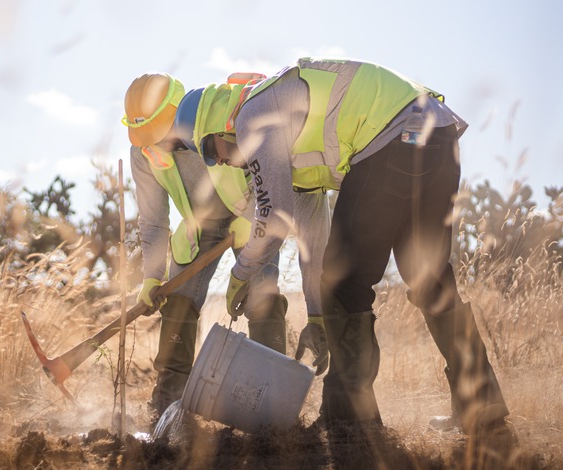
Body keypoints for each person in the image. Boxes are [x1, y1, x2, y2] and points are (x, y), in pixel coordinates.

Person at [173, 58, 509, 432]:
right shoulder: (286, 139)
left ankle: (350, 419)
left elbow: (275, 218)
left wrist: (241, 272)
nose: (218, 161)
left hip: (392, 138)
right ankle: (481, 402)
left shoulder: (254, 115)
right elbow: (315, 238)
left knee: (346, 279)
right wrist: (317, 314)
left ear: (218, 123)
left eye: (208, 150)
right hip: (436, 134)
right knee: (429, 279)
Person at [122, 73, 329, 424]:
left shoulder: (218, 122)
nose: (157, 143)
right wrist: (151, 276)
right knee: (178, 301)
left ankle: (272, 400)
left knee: (261, 293)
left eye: (162, 132)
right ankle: (169, 401)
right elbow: (154, 222)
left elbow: (263, 174)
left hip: (248, 215)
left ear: (178, 113)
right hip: (197, 228)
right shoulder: (142, 154)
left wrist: (250, 221)